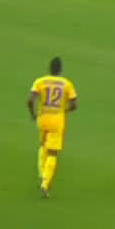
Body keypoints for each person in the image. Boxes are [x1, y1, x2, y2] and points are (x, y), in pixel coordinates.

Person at [27, 56, 78, 199]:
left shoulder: (40, 81)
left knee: (42, 145)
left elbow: (30, 100)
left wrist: (33, 114)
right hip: (57, 120)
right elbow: (74, 105)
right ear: (60, 70)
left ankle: (42, 173)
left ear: (49, 69)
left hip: (42, 118)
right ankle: (45, 184)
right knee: (52, 153)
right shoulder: (66, 83)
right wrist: (64, 111)